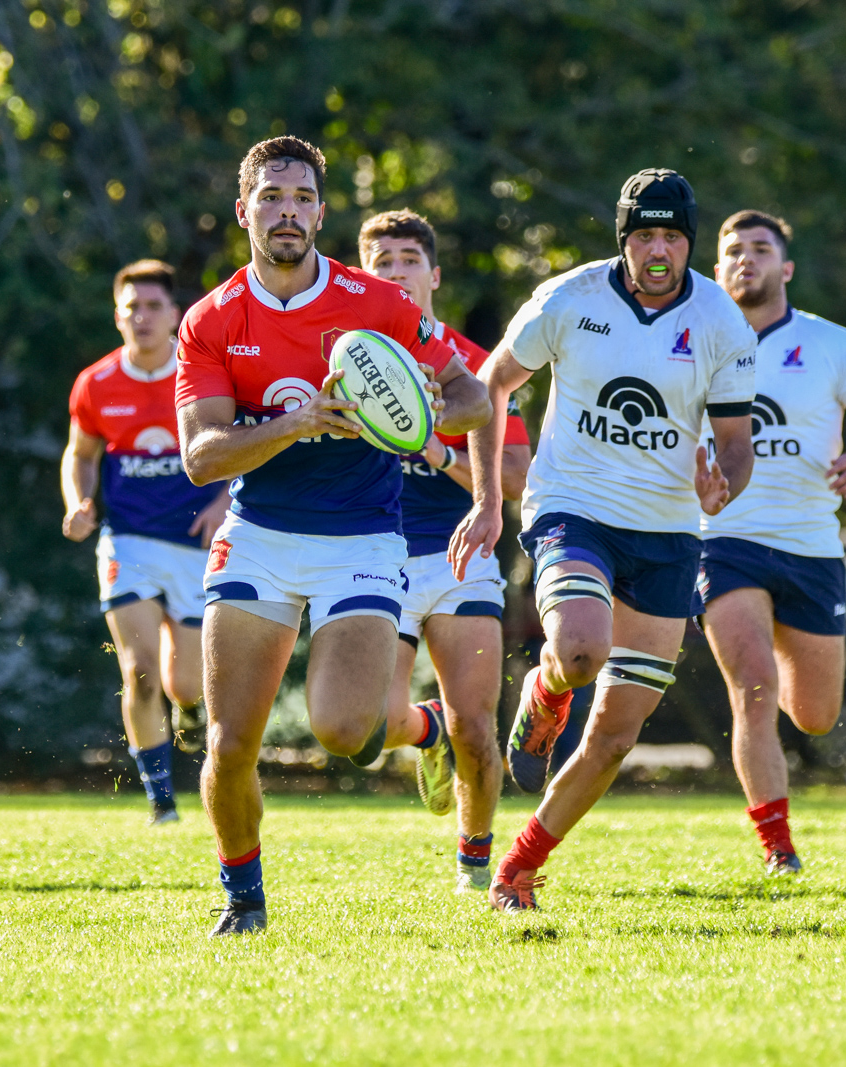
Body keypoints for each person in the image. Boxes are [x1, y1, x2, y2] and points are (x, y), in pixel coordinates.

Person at [175, 137, 490, 935]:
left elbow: (472, 397)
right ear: (244, 210)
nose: (289, 212)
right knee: (230, 741)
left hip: (361, 540)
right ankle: (243, 898)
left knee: (345, 730)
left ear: (321, 211)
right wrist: (296, 421)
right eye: (273, 197)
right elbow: (201, 456)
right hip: (259, 535)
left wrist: (419, 416)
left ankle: (433, 729)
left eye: (304, 198)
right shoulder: (212, 320)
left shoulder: (377, 304)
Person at [450, 168, 757, 912]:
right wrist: (490, 501)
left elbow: (735, 446)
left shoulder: (721, 321)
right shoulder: (570, 297)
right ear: (624, 239)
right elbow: (492, 385)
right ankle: (551, 685)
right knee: (582, 650)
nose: (658, 251)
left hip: (668, 534)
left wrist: (724, 485)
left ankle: (518, 866)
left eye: (673, 237)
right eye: (644, 235)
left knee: (617, 736)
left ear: (689, 243)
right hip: (572, 510)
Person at [696, 210, 846, 873]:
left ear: (786, 268)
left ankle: (790, 677)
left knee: (815, 715)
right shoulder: (688, 341)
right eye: (733, 250)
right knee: (753, 686)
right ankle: (778, 848)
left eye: (761, 249)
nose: (746, 260)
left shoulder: (831, 343)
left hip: (813, 545)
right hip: (723, 539)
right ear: (717, 268)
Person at [355, 209, 532, 894]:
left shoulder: (474, 368)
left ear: (434, 274)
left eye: (407, 259)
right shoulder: (338, 360)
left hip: (460, 558)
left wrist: (437, 449)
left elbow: (516, 477)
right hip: (373, 559)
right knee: (368, 724)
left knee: (477, 725)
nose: (396, 271)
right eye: (381, 261)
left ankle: (474, 864)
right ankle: (425, 732)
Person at [63, 260, 230, 826]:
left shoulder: (200, 374)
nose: (143, 317)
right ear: (118, 316)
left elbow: (240, 441)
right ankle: (161, 802)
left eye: (154, 306)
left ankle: (183, 720)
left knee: (184, 687)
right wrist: (79, 502)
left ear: (175, 315)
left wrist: (225, 499)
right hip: (127, 542)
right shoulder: (96, 383)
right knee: (137, 671)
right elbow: (81, 456)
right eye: (132, 307)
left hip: (192, 545)